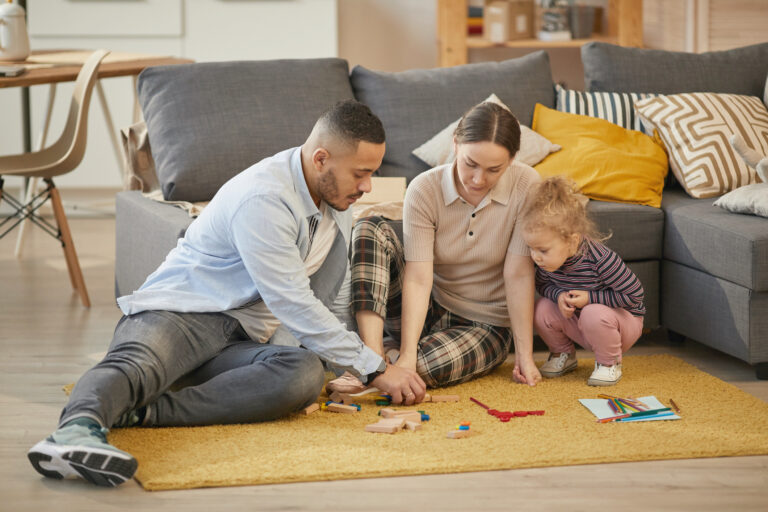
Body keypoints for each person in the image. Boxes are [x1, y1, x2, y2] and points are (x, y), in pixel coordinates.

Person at [27, 99, 425, 488]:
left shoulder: (337, 199)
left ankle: (144, 414)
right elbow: (292, 301)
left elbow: (319, 293)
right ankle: (75, 431)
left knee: (302, 375)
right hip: (182, 315)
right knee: (137, 365)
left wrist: (331, 365)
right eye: (360, 173)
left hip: (240, 339)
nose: (367, 186)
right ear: (321, 159)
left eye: (372, 173)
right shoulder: (265, 198)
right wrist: (376, 367)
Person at [329, 101, 543, 396]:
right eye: (470, 163)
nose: (478, 180)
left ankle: (386, 363)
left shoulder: (528, 185)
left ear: (513, 159)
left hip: (485, 325)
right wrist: (405, 354)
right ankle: (373, 360)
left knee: (422, 369)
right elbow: (418, 277)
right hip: (429, 306)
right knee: (368, 229)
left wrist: (525, 355)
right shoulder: (424, 188)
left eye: (494, 169)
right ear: (455, 144)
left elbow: (519, 274)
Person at [520, 176, 645, 386]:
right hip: (582, 324)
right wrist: (558, 296)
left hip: (622, 324)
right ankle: (563, 355)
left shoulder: (601, 259)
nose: (536, 257)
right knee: (541, 307)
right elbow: (543, 285)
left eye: (542, 250)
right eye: (531, 248)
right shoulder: (547, 262)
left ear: (572, 240)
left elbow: (634, 296)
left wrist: (590, 298)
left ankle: (608, 363)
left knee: (592, 312)